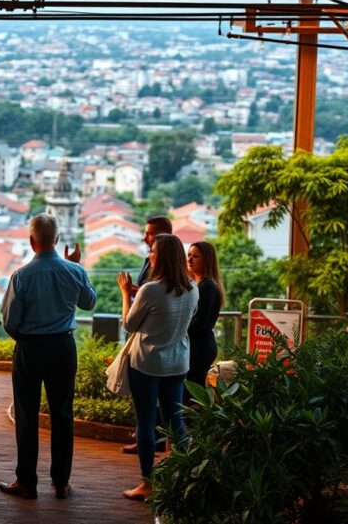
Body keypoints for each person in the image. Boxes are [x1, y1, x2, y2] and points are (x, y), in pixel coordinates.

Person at [0, 214, 96, 501]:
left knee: (27, 416)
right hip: (63, 347)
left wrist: (27, 339)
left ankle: (27, 482)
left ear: (32, 241)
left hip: (30, 348)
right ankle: (61, 482)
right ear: (56, 240)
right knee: (63, 414)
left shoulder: (21, 276)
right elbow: (88, 303)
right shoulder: (74, 271)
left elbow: (9, 321)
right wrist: (77, 264)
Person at [116, 234, 198, 501]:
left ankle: (147, 483)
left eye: (152, 251)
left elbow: (129, 323)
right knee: (175, 421)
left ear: (160, 256)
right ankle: (188, 478)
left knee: (146, 422)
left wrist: (125, 294)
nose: (149, 254)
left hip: (148, 363)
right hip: (177, 362)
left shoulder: (151, 289)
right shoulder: (192, 287)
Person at [123, 213, 174, 455]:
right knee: (170, 413)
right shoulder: (187, 287)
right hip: (173, 357)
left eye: (150, 234)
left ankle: (148, 475)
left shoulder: (159, 283)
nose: (146, 238)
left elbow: (129, 323)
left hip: (150, 351)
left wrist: (128, 293)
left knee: (149, 413)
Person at [185, 241, 224, 401]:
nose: (189, 260)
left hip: (200, 348)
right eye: (189, 255)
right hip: (198, 346)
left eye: (195, 256)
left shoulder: (207, 287)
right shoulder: (199, 285)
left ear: (206, 260)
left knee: (192, 395)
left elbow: (199, 324)